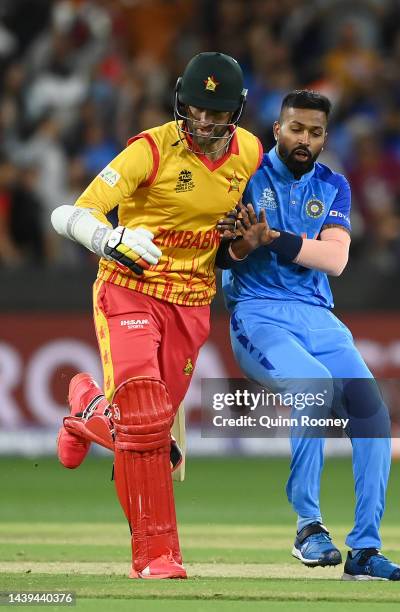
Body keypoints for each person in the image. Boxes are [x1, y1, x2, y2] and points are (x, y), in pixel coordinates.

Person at [50, 52, 263, 580]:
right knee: (144, 423)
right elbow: (68, 212)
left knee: (146, 436)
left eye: (216, 114)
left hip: (193, 304)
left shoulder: (251, 153)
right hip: (129, 291)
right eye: (195, 110)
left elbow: (237, 235)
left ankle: (85, 407)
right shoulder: (149, 149)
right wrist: (108, 237)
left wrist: (241, 246)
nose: (205, 124)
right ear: (179, 102)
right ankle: (155, 557)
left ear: (236, 111)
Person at [216, 89, 400, 581]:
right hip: (258, 313)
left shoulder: (334, 185)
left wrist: (272, 239)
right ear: (277, 129)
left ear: (325, 137)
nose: (305, 139)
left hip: (319, 316)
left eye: (315, 132)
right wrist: (243, 242)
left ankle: (364, 550)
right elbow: (222, 251)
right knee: (314, 387)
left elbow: (336, 259)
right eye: (296, 129)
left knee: (372, 411)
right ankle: (308, 527)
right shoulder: (244, 175)